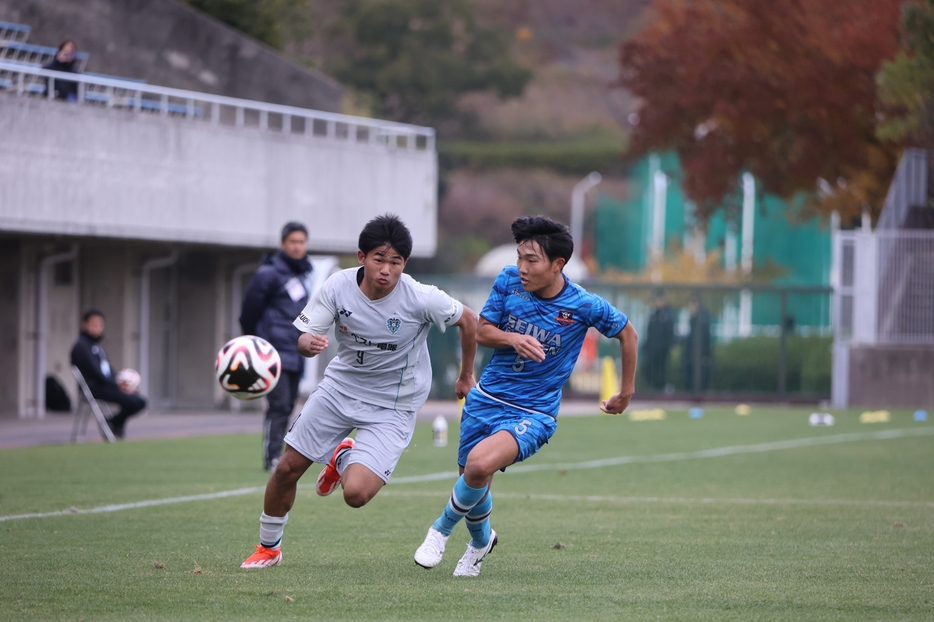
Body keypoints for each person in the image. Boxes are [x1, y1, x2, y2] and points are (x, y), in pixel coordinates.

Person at [240, 214, 478, 569]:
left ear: (405, 264)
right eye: (378, 259)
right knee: (287, 468)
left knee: (356, 494)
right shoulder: (337, 287)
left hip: (393, 405)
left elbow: (469, 320)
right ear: (361, 257)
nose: (386, 269)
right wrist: (308, 345)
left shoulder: (421, 297)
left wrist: (465, 375)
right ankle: (268, 548)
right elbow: (304, 337)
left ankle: (340, 458)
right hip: (339, 389)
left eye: (395, 262)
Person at [413, 216, 638, 577]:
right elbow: (483, 331)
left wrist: (625, 393)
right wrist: (512, 338)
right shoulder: (507, 281)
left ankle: (438, 532)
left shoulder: (582, 304)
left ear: (557, 265)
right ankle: (480, 543)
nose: (522, 267)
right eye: (519, 257)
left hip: (533, 412)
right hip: (485, 399)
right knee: (473, 484)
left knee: (477, 466)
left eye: (531, 260)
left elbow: (628, 333)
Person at [240, 222, 314, 471]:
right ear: (283, 244)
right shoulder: (268, 273)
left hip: (295, 352)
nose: (297, 246)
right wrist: (256, 346)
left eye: (302, 242)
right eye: (293, 241)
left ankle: (279, 456)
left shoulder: (301, 275)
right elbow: (248, 312)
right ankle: (271, 458)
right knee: (279, 405)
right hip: (272, 354)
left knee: (290, 405)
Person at [70, 309, 147, 439]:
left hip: (107, 385)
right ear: (84, 325)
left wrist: (123, 383)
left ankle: (114, 422)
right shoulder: (81, 347)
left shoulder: (98, 347)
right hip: (94, 388)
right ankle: (114, 424)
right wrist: (117, 386)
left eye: (100, 325)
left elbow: (107, 370)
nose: (98, 328)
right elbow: (96, 373)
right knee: (132, 402)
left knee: (140, 401)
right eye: (94, 324)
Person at [641, 289, 674, 391]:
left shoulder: (667, 314)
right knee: (650, 371)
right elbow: (649, 331)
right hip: (652, 350)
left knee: (661, 372)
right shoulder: (653, 315)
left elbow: (669, 333)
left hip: (662, 350)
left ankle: (661, 389)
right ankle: (654, 388)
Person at [683, 295, 712, 391]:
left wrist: (705, 355)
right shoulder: (692, 319)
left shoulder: (703, 319)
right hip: (691, 355)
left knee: (701, 379)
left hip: (701, 355)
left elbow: (706, 339)